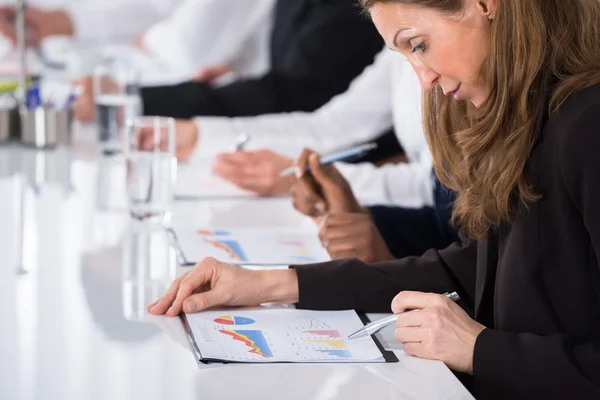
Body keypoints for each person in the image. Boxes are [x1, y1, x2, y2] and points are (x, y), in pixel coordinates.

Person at [149, 0, 600, 397]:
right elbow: (470, 268)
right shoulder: (531, 115)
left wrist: (479, 349)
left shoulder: (586, 126)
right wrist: (268, 285)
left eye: (418, 44)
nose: (423, 81)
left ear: (484, 4)